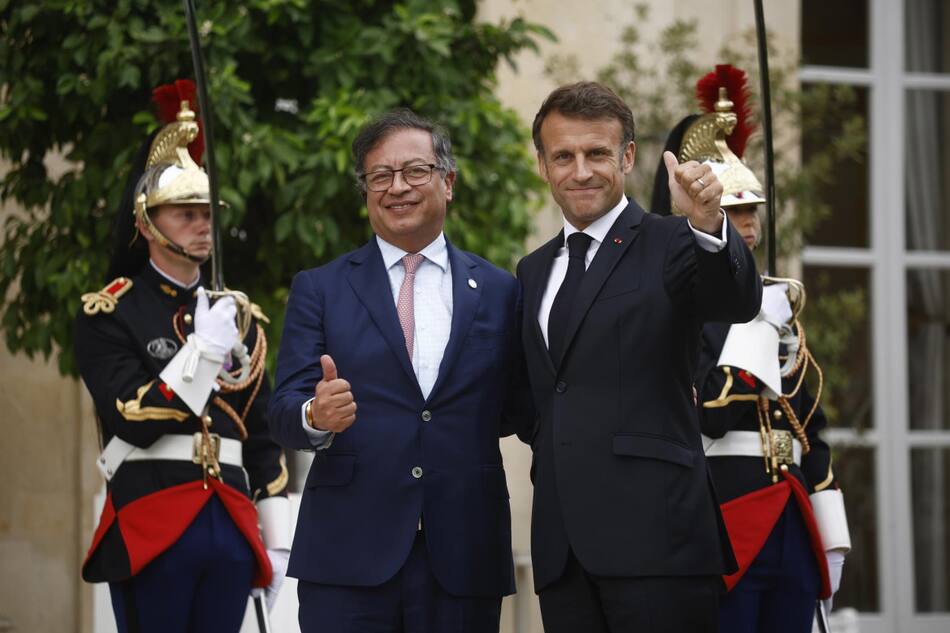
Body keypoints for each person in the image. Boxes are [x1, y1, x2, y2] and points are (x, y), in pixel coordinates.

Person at [267, 108, 531, 633]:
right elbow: (282, 411)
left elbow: (519, 406)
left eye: (415, 171)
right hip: (348, 555)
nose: (397, 188)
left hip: (464, 551)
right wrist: (316, 415)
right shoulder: (320, 287)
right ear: (365, 190)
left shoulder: (501, 290)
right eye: (380, 176)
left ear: (448, 181)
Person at [516, 80, 762, 633]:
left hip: (660, 546)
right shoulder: (532, 270)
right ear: (543, 165)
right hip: (564, 552)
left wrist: (706, 224)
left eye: (597, 153)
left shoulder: (675, 241)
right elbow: (535, 395)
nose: (581, 171)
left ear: (627, 156)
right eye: (564, 156)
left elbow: (734, 301)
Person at [75, 80, 291, 633]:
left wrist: (278, 538)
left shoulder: (239, 316)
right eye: (184, 214)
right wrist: (202, 352)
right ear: (147, 224)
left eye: (206, 212)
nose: (202, 225)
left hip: (232, 521)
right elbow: (133, 416)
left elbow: (260, 436)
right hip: (155, 515)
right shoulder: (111, 311)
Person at [652, 64, 851, 633]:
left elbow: (808, 422)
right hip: (724, 515)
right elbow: (706, 415)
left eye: (750, 212)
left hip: (790, 515)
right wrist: (754, 331)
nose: (747, 225)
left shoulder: (775, 301)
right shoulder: (680, 305)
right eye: (732, 212)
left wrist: (829, 522)